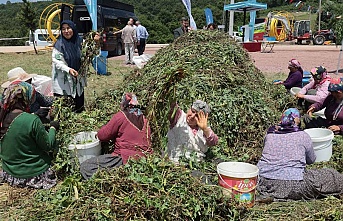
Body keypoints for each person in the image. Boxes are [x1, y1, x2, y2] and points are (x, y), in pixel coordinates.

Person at [257, 108, 343, 201]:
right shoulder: (303, 135)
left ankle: (271, 196)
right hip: (294, 185)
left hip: (263, 181)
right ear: (297, 121)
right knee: (331, 174)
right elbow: (311, 160)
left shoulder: (270, 134)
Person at [0, 81, 59, 189]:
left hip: (10, 173)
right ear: (26, 98)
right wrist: (53, 128)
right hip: (34, 173)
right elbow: (48, 145)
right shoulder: (31, 120)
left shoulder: (3, 116)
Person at [80, 92, 153, 180]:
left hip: (124, 158)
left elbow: (103, 136)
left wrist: (97, 134)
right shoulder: (145, 119)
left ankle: (105, 181)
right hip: (144, 159)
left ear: (124, 103)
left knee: (86, 166)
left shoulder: (121, 116)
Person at [52, 20, 99, 113]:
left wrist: (96, 42)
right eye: (63, 29)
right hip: (64, 82)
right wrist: (68, 70)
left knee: (79, 107)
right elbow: (57, 61)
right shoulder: (59, 44)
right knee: (65, 109)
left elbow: (92, 53)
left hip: (78, 78)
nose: (66, 31)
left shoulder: (81, 42)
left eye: (68, 28)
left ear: (73, 28)